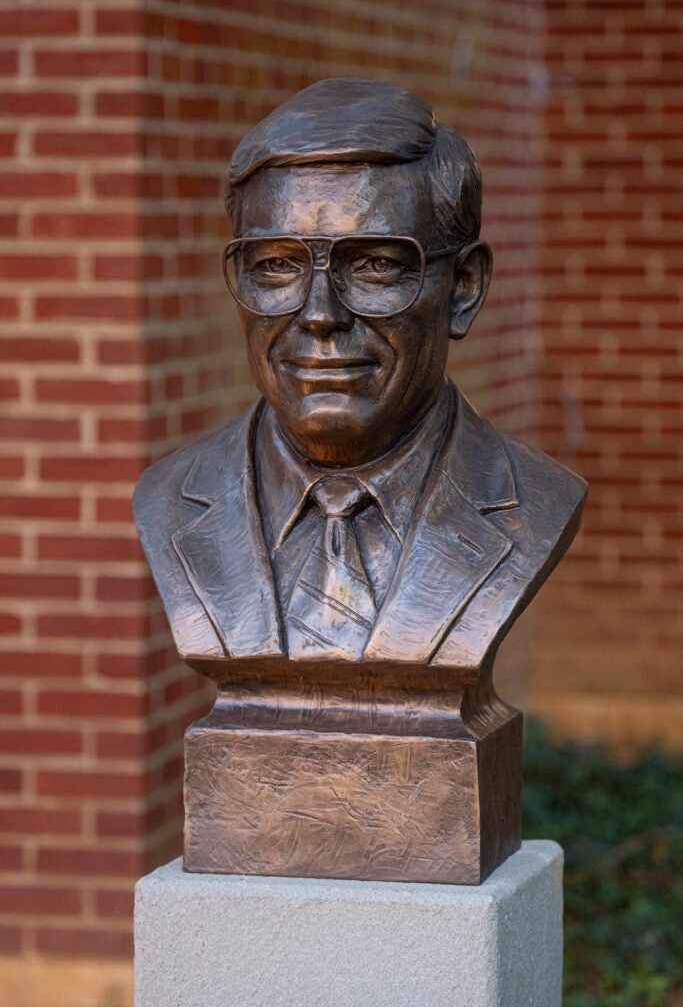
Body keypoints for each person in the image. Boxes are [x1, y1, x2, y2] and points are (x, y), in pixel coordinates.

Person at [133, 78, 586, 667]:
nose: (320, 314)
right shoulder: (169, 497)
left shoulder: (538, 502)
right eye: (276, 265)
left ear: (464, 289)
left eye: (376, 265)